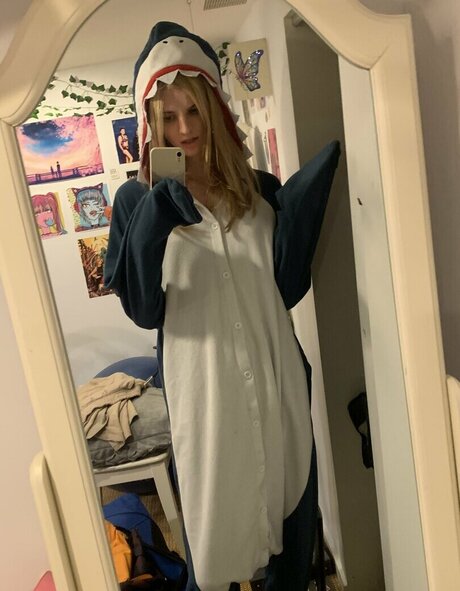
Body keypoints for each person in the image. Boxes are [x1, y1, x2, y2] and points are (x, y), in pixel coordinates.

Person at [104, 21, 340, 591]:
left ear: (214, 107)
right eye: (169, 117)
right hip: (207, 403)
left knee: (289, 533)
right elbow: (144, 309)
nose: (185, 129)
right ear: (150, 123)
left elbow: (285, 287)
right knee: (218, 553)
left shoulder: (257, 189)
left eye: (194, 111)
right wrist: (157, 218)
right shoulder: (135, 201)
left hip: (278, 387)